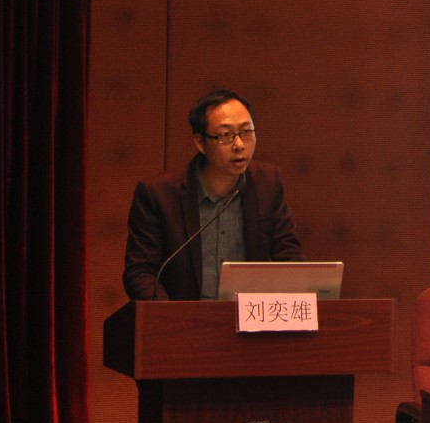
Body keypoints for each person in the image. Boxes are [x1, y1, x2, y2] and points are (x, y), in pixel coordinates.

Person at [123, 89, 304, 300]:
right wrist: (169, 314)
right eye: (226, 135)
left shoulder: (268, 183)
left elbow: (289, 258)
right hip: (186, 316)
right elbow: (140, 273)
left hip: (250, 315)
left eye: (246, 132)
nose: (239, 145)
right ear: (200, 142)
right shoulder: (159, 195)